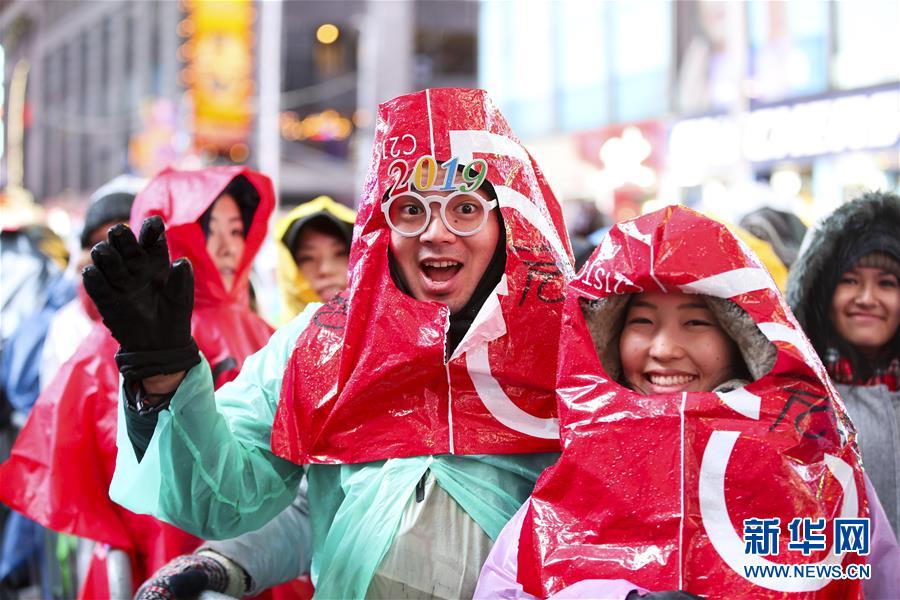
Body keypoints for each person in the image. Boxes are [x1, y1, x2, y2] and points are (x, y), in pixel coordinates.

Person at [84, 88, 573, 598]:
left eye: (465, 208)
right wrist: (164, 373)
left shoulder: (574, 349)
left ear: (509, 223)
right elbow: (232, 495)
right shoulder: (322, 344)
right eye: (410, 209)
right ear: (382, 226)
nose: (435, 233)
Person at [475, 206, 898, 598]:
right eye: (642, 321)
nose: (665, 348)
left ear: (741, 339)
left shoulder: (812, 461)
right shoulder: (577, 471)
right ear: (609, 335)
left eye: (695, 322)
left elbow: (873, 578)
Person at [0, 167, 276, 598]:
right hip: (149, 551)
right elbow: (91, 457)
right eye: (208, 229)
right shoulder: (120, 336)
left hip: (262, 553)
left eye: (237, 230)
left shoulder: (265, 333)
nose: (226, 247)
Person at [135, 196, 357, 599]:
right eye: (410, 210)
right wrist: (219, 565)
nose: (225, 248)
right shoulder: (299, 343)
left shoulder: (509, 356)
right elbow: (316, 506)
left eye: (236, 231)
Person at [787, 191, 900, 536]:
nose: (866, 299)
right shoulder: (789, 399)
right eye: (849, 281)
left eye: (887, 283)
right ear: (822, 291)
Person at [272, 195, 355, 323]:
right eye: (307, 258)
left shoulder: (386, 336)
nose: (325, 269)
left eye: (340, 254)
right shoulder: (267, 339)